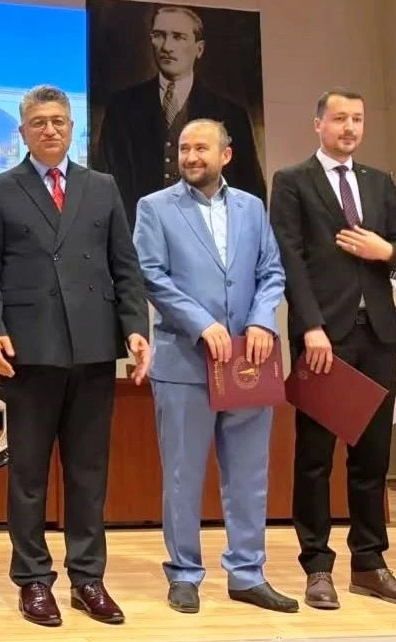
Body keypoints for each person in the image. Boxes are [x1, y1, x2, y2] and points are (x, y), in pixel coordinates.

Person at [0, 85, 151, 627]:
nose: (49, 129)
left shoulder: (102, 187)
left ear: (73, 129)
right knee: (28, 473)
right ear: (22, 131)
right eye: (39, 122)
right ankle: (33, 579)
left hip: (93, 347)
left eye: (58, 121)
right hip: (28, 349)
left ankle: (88, 578)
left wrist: (136, 329)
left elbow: (125, 267)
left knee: (88, 472)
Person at [269, 88, 396, 609]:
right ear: (318, 124)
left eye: (357, 119)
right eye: (339, 118)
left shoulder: (379, 182)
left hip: (378, 333)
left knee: (372, 456)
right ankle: (317, 565)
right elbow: (289, 258)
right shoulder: (292, 181)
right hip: (324, 337)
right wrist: (310, 326)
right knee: (315, 457)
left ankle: (370, 563)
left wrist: (386, 250)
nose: (350, 128)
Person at [133, 118, 295, 614]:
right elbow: (151, 275)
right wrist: (201, 323)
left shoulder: (252, 207)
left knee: (248, 475)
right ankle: (184, 574)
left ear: (226, 154)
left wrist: (263, 320)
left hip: (248, 361)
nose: (191, 157)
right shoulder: (154, 207)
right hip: (185, 363)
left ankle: (247, 573)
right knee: (183, 476)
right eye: (184, 148)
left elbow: (271, 271)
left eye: (201, 148)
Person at [93, 4, 266, 229]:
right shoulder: (122, 106)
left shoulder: (231, 113)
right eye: (159, 35)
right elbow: (105, 183)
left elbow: (250, 189)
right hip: (138, 235)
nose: (167, 47)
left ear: (199, 49)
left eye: (178, 37)